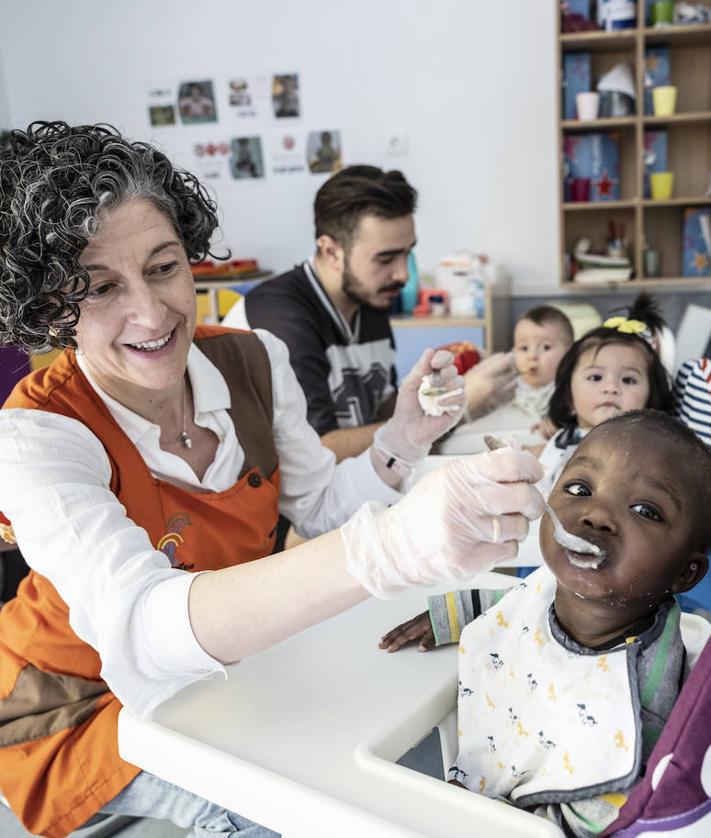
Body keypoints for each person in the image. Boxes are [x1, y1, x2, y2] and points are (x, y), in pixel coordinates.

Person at [0, 122, 545, 838]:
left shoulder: (253, 360)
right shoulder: (35, 437)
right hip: (78, 710)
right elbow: (140, 628)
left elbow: (319, 507)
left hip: (230, 672)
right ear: (52, 309)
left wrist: (400, 439)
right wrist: (387, 548)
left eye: (164, 268)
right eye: (100, 288)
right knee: (290, 813)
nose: (150, 312)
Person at [380, 410, 711, 836]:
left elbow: (602, 811)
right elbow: (517, 603)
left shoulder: (636, 703)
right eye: (579, 488)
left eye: (646, 510)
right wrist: (450, 616)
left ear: (686, 572)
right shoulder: (554, 588)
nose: (596, 514)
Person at [223, 165, 518, 462]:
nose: (403, 274)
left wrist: (435, 396)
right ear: (331, 252)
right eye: (386, 258)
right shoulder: (282, 322)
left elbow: (378, 411)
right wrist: (456, 412)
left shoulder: (368, 299)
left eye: (407, 253)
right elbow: (318, 454)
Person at [534, 294, 673, 496]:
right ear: (569, 398)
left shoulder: (641, 451)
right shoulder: (565, 436)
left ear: (651, 400)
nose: (611, 387)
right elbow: (549, 461)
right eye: (596, 377)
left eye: (628, 380)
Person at [510, 305, 573, 431]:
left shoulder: (570, 393)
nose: (532, 356)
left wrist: (558, 422)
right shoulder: (508, 389)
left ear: (570, 353)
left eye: (546, 347)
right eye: (524, 348)